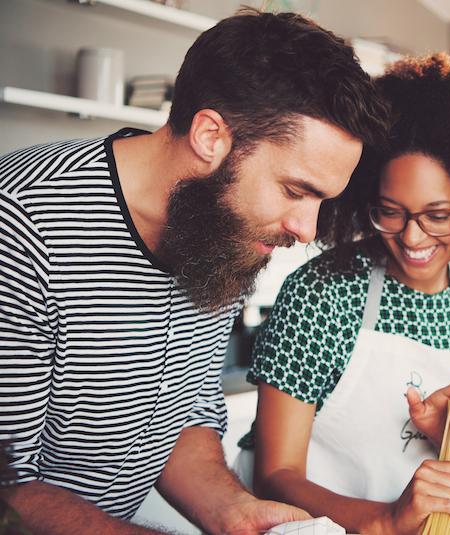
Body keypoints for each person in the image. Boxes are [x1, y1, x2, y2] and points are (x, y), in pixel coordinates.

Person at [0, 9, 387, 535]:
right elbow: (7, 490)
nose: (305, 229)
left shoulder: (218, 229)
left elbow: (182, 418)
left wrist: (233, 511)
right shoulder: (24, 223)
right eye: (297, 191)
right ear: (210, 135)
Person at [234, 53, 450, 534]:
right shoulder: (322, 295)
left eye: (438, 215)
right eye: (391, 211)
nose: (412, 238)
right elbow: (274, 476)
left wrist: (444, 432)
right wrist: (386, 521)